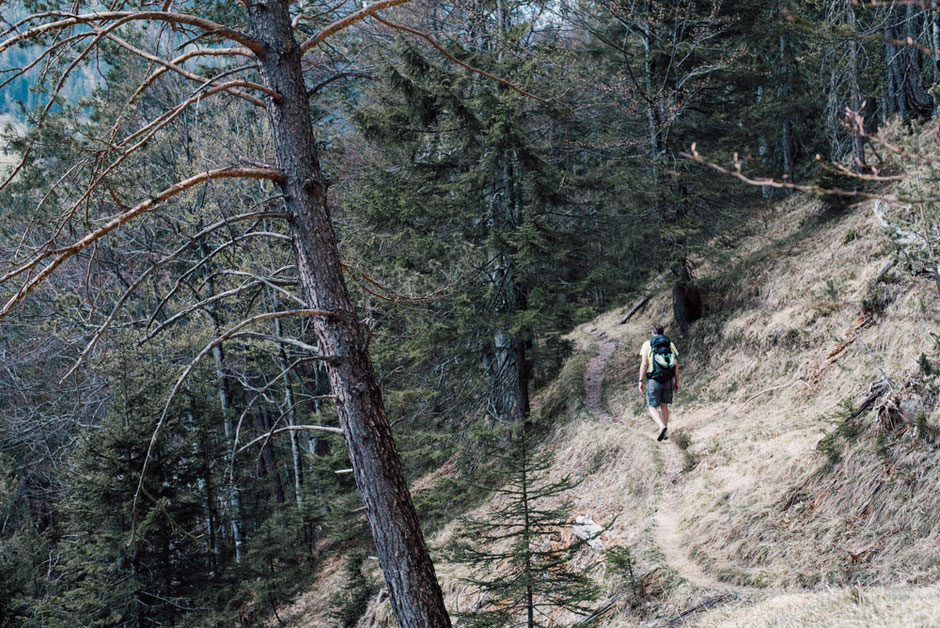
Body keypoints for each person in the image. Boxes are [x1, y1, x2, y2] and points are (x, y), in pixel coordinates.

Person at [637, 325, 680, 442]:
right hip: (668, 379)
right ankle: (664, 432)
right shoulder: (669, 344)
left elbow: (644, 364)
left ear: (652, 333)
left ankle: (661, 426)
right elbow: (675, 364)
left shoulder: (647, 344)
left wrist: (640, 380)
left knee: (651, 406)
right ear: (663, 332)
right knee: (664, 406)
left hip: (654, 379)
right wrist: (677, 381)